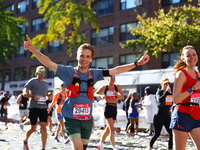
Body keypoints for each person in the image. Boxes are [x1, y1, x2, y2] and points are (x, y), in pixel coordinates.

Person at [23, 34, 150, 150]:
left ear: (91, 59)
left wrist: (137, 63)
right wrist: (33, 49)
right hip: (71, 118)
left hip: (86, 119)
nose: (84, 59)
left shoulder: (95, 74)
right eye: (82, 55)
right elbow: (49, 62)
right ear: (77, 56)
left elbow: (116, 70)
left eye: (87, 56)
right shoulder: (68, 71)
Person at [170, 45, 200, 150]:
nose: (192, 58)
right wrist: (193, 88)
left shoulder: (198, 75)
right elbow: (176, 99)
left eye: (194, 55)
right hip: (182, 115)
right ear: (183, 59)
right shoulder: (181, 74)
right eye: (188, 56)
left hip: (196, 115)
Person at [94, 75, 124, 150]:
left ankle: (100, 143)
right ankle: (114, 147)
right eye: (111, 78)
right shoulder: (105, 87)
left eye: (113, 78)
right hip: (108, 107)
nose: (112, 79)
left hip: (114, 107)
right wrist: (101, 96)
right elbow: (95, 93)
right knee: (111, 129)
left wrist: (117, 95)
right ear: (108, 79)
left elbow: (122, 97)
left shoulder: (117, 87)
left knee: (108, 128)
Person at [22, 65, 49, 150]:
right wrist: (33, 96)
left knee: (44, 127)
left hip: (43, 108)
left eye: (44, 72)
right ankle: (25, 140)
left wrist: (47, 99)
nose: (42, 74)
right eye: (40, 72)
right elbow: (24, 93)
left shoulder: (46, 83)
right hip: (34, 107)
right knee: (33, 128)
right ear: (36, 73)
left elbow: (43, 95)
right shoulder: (32, 81)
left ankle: (43, 148)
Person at [149, 77, 173, 150]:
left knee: (171, 133)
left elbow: (170, 103)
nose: (167, 85)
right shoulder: (159, 92)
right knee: (157, 134)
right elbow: (159, 101)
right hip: (159, 115)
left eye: (168, 83)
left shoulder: (169, 93)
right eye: (165, 83)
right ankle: (150, 146)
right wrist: (166, 93)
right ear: (161, 84)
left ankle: (170, 148)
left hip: (167, 115)